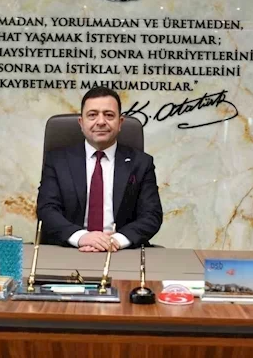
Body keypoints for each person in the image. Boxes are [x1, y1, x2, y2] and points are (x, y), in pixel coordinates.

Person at [37, 87, 163, 251]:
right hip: (69, 250)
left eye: (109, 115)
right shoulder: (58, 161)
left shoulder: (141, 163)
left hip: (121, 252)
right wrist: (81, 237)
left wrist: (116, 241)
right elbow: (46, 210)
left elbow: (151, 215)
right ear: (81, 123)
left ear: (120, 123)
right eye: (92, 115)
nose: (101, 121)